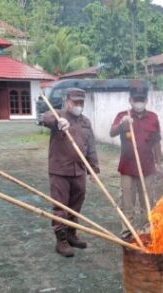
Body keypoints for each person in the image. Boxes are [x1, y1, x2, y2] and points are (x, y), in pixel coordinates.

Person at [41, 88, 100, 257]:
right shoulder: (57, 115)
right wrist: (58, 122)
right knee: (61, 206)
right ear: (67, 100)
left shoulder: (85, 122)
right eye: (75, 102)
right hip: (60, 170)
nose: (78, 105)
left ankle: (71, 234)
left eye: (81, 102)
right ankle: (61, 240)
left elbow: (90, 147)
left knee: (76, 205)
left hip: (79, 171)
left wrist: (93, 167)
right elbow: (46, 118)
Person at [110, 83, 162, 233]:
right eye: (136, 99)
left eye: (142, 99)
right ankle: (128, 231)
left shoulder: (153, 117)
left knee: (147, 202)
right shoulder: (122, 116)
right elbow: (112, 132)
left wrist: (159, 163)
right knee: (127, 202)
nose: (139, 102)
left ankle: (147, 230)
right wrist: (122, 125)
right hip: (127, 168)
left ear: (146, 100)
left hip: (147, 168)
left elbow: (157, 142)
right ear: (130, 100)